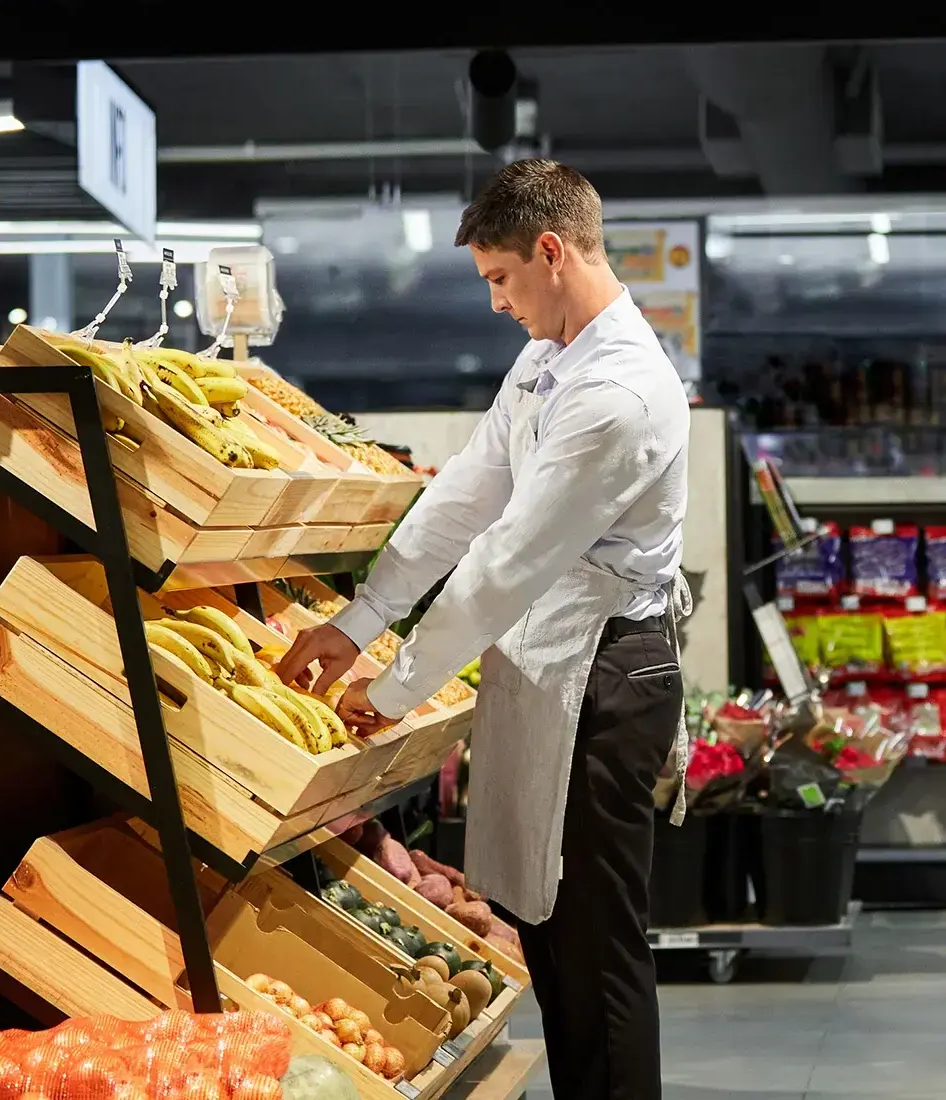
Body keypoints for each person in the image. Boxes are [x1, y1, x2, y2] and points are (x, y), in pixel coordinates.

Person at [277, 159, 691, 1100]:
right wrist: (362, 618)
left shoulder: (619, 393)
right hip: (553, 662)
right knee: (549, 928)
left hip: (607, 677)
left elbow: (507, 563)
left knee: (596, 939)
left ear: (551, 252)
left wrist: (390, 688)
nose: (496, 303)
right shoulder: (551, 358)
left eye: (500, 278)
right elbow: (466, 492)